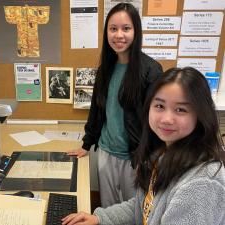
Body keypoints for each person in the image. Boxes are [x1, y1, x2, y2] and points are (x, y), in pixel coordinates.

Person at [62, 67, 225, 225]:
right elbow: (142, 208)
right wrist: (100, 219)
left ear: (200, 115)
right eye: (160, 106)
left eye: (181, 109)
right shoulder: (162, 154)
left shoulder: (201, 184)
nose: (167, 119)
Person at [67, 3, 163, 207]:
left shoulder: (151, 70)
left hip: (135, 158)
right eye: (113, 29)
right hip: (105, 153)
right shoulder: (105, 68)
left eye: (126, 28)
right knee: (108, 209)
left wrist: (148, 156)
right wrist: (86, 144)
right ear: (106, 33)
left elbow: (156, 120)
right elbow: (97, 109)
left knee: (134, 210)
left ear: (136, 31)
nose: (119, 35)